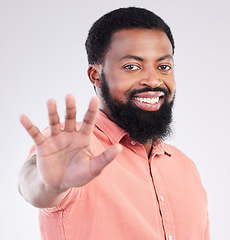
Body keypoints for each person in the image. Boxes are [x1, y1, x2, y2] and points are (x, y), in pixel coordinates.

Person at [19, 7, 210, 240]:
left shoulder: (186, 167)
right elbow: (34, 184)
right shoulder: (74, 148)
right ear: (96, 75)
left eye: (163, 67)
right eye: (132, 66)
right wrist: (48, 184)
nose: (153, 80)